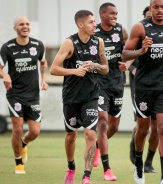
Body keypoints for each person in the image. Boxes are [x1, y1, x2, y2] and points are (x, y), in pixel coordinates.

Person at [122, 0, 163, 183]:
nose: (159, 10)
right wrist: (141, 50)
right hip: (144, 87)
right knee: (142, 130)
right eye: (155, 7)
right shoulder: (140, 28)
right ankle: (138, 166)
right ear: (150, 8)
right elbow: (125, 53)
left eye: (162, 7)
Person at [50, 10, 109, 184]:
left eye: (94, 21)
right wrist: (74, 71)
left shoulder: (98, 42)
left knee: (91, 134)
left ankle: (86, 176)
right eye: (91, 22)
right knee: (71, 136)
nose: (95, 24)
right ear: (80, 24)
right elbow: (53, 69)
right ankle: (71, 167)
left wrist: (96, 65)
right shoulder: (69, 43)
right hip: (71, 97)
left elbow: (106, 68)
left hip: (91, 95)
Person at [0, 16, 48, 174]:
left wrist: (44, 80)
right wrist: (5, 76)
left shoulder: (38, 45)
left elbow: (43, 63)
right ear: (15, 28)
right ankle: (18, 162)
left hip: (33, 94)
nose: (25, 26)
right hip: (15, 94)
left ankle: (24, 145)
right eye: (21, 24)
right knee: (18, 128)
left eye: (27, 24)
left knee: (34, 132)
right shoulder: (7, 47)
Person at [92, 2, 130, 181]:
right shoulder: (94, 33)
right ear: (102, 14)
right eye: (112, 13)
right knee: (102, 121)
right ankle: (107, 169)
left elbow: (128, 53)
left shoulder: (121, 31)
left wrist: (127, 64)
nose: (115, 16)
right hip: (99, 84)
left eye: (117, 13)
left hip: (117, 83)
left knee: (114, 126)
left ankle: (98, 145)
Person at [129, 6, 157, 174]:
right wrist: (133, 68)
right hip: (140, 86)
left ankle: (149, 162)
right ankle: (135, 147)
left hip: (160, 86)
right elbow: (125, 55)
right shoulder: (138, 33)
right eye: (148, 16)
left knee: (158, 127)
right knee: (142, 127)